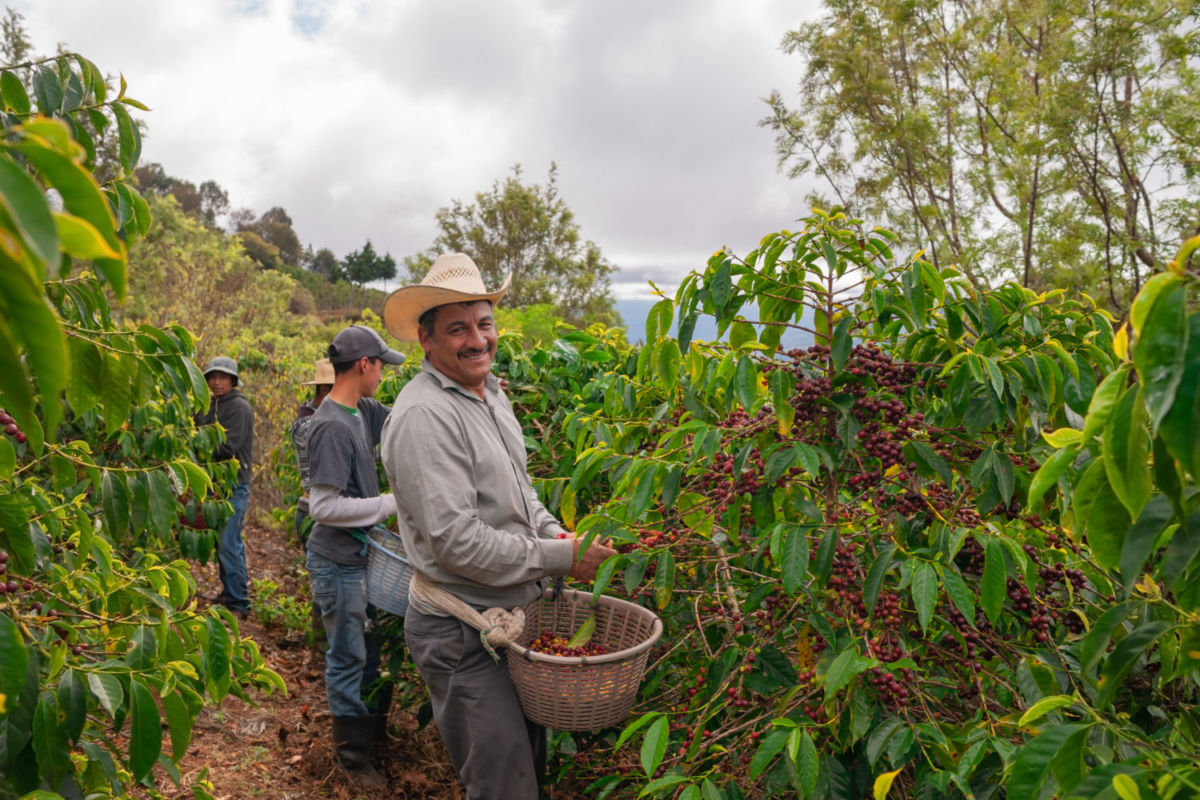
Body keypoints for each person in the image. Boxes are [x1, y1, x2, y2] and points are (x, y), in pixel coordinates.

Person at [379, 253, 616, 800]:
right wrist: (561, 559)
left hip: (513, 618)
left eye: (484, 324)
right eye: (457, 328)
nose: (477, 340)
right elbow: (456, 544)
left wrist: (555, 534)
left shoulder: (491, 395)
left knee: (526, 768)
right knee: (503, 785)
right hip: (460, 631)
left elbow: (520, 492)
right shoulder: (424, 417)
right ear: (426, 339)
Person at [304, 325, 405, 789]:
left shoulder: (362, 410)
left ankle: (371, 738)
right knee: (347, 656)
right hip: (337, 561)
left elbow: (406, 416)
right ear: (364, 365)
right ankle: (352, 760)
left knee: (368, 652)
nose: (383, 374)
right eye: (381, 365)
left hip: (360, 557)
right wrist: (388, 504)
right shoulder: (329, 427)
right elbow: (323, 507)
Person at [195, 356, 254, 619]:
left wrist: (196, 440)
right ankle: (230, 593)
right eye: (213, 377)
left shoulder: (239, 407)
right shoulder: (207, 404)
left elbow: (227, 446)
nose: (217, 382)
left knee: (229, 543)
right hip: (214, 484)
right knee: (224, 541)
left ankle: (239, 603)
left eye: (223, 377)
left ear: (232, 380)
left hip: (234, 484)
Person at [289, 358, 334, 644]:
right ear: (326, 389)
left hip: (325, 511)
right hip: (313, 512)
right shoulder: (307, 422)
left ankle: (324, 648)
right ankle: (322, 649)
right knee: (324, 585)